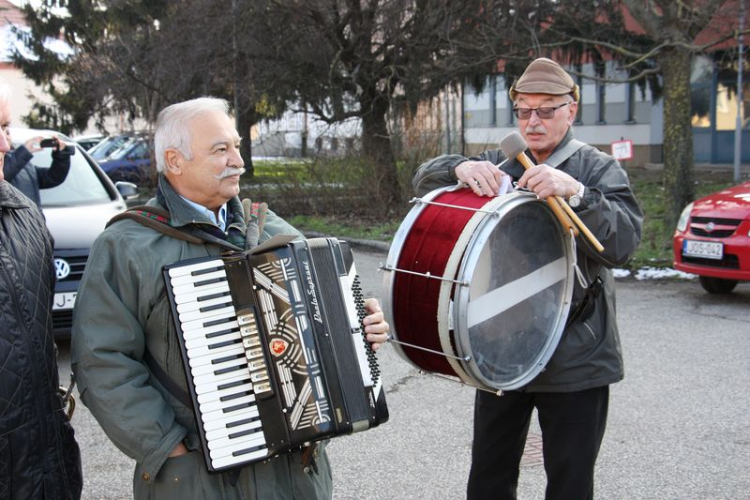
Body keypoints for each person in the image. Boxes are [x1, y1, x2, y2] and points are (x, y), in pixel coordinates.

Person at [71, 96, 391, 500]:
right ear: (175, 161)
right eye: (220, 149)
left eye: (236, 146)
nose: (238, 160)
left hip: (294, 475)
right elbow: (101, 362)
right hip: (195, 478)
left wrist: (360, 328)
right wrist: (169, 448)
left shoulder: (272, 228)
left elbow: (324, 320)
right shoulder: (126, 247)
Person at [412, 57, 643, 500]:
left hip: (577, 357)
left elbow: (624, 244)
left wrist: (576, 192)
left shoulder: (596, 169)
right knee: (488, 479)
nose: (533, 122)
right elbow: (425, 180)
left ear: (571, 110)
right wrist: (457, 168)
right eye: (523, 111)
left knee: (570, 484)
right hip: (502, 350)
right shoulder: (502, 165)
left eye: (546, 110)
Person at [0, 83, 83, 499]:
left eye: (6, 127)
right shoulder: (17, 162)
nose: (4, 142)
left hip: (44, 472)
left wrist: (63, 152)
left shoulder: (25, 218)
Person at [1, 125, 73, 206]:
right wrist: (24, 151)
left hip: (30, 218)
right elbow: (5, 175)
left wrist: (61, 155)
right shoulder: (20, 158)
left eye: (7, 132)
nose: (4, 136)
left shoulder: (23, 164)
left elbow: (52, 178)